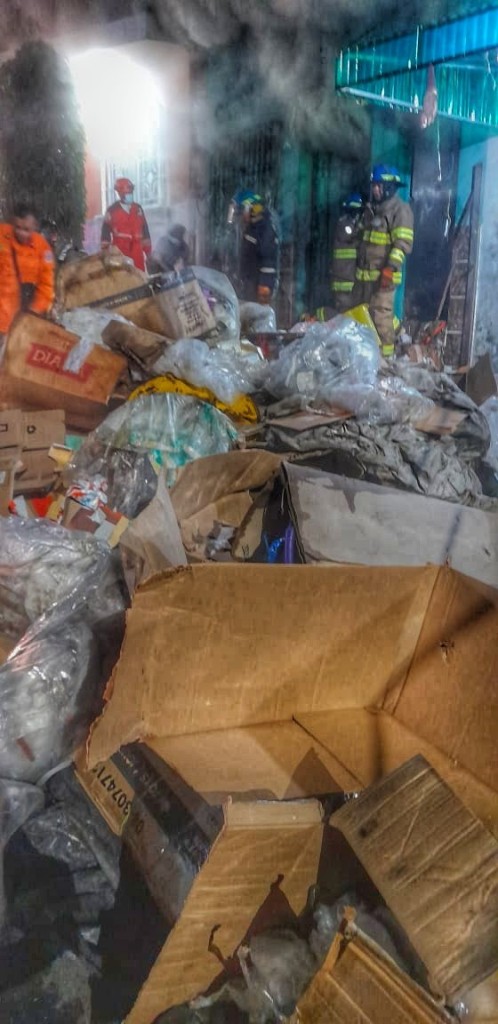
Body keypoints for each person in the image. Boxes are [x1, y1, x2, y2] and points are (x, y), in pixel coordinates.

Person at [353, 165, 414, 356]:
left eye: (379, 185)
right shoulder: (374, 210)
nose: (375, 190)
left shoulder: (400, 210)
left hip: (384, 277)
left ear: (389, 186)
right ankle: (369, 358)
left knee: (380, 318)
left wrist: (391, 268)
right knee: (366, 318)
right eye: (374, 186)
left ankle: (386, 361)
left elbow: (402, 244)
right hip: (366, 278)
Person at [0, 203, 55, 337]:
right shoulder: (2, 235)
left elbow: (46, 286)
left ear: (35, 227)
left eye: (26, 229)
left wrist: (33, 314)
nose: (21, 233)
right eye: (17, 227)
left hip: (22, 325)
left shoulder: (43, 249)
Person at [229, 189, 279, 304]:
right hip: (249, 284)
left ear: (251, 209)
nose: (241, 216)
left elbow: (268, 261)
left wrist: (264, 289)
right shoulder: (252, 229)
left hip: (259, 287)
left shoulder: (265, 229)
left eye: (242, 211)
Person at [101, 178, 151, 272]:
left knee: (139, 276)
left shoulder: (138, 209)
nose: (130, 195)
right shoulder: (112, 211)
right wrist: (106, 254)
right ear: (121, 194)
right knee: (124, 278)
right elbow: (105, 234)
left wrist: (148, 253)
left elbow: (145, 230)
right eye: (127, 194)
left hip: (137, 251)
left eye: (131, 193)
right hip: (120, 251)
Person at [330, 192, 365, 313]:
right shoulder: (343, 224)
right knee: (344, 312)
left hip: (350, 278)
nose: (356, 214)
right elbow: (351, 237)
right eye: (354, 211)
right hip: (343, 279)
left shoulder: (353, 224)